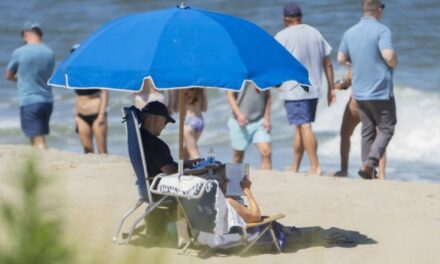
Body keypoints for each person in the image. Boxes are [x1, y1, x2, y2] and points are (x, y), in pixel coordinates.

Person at [337, 0, 397, 179]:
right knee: (387, 128)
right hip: (380, 91)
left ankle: (367, 170)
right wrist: (394, 61)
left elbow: (340, 58)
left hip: (360, 92)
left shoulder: (350, 32)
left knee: (367, 131)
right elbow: (388, 55)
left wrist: (356, 63)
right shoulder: (382, 30)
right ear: (378, 11)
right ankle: (371, 163)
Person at [275, 3, 335, 175]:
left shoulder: (282, 35)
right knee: (299, 126)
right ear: (300, 17)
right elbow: (328, 63)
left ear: (285, 19)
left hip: (295, 89)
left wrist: (268, 82)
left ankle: (315, 166)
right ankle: (295, 165)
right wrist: (331, 88)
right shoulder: (315, 32)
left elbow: (275, 62)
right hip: (314, 88)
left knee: (304, 125)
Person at [5, 22, 55, 149]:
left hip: (29, 100)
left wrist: (20, 79)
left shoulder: (20, 52)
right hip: (47, 100)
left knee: (38, 139)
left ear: (26, 34)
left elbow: (8, 75)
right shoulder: (49, 52)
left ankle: (42, 164)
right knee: (38, 135)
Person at [332, 69, 387, 179]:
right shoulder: (379, 60)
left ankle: (344, 170)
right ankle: (381, 174)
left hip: (357, 104)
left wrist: (337, 85)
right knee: (379, 137)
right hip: (376, 102)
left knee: (345, 134)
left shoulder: (357, 60)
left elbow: (349, 80)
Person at [71, 45, 109, 154]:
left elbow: (104, 92)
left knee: (102, 150)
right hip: (81, 116)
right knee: (87, 151)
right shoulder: (74, 74)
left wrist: (101, 114)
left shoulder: (95, 71)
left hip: (97, 114)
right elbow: (78, 97)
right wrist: (76, 115)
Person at [226, 84, 272, 170]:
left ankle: (267, 181)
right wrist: (239, 115)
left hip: (259, 121)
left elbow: (268, 95)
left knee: (266, 152)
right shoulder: (238, 73)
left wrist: (266, 117)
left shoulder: (263, 73)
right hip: (238, 122)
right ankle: (234, 182)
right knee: (238, 157)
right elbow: (230, 95)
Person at [183, 88, 207, 160]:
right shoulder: (201, 89)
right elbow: (204, 108)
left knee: (193, 152)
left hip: (189, 121)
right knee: (186, 150)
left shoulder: (183, 89)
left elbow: (175, 107)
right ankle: (184, 169)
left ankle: (204, 168)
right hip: (200, 120)